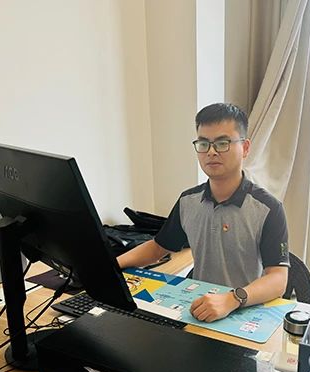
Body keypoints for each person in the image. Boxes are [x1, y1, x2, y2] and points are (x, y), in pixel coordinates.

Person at [117, 103, 290, 322]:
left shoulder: (268, 208)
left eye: (222, 143)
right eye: (204, 143)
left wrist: (233, 298)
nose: (211, 152)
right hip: (196, 307)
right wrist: (112, 264)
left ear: (245, 148)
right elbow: (159, 247)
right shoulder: (188, 201)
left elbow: (278, 278)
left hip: (243, 309)